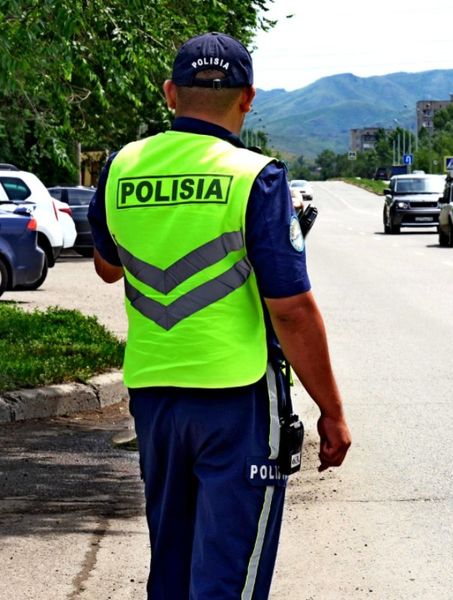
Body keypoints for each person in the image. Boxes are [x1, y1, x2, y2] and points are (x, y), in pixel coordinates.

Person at [87, 32, 351, 599]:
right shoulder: (257, 176)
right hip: (236, 396)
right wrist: (331, 410)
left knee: (174, 566)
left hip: (155, 395)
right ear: (248, 98)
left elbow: (107, 268)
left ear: (169, 94)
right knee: (228, 574)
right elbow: (292, 311)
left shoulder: (119, 168)